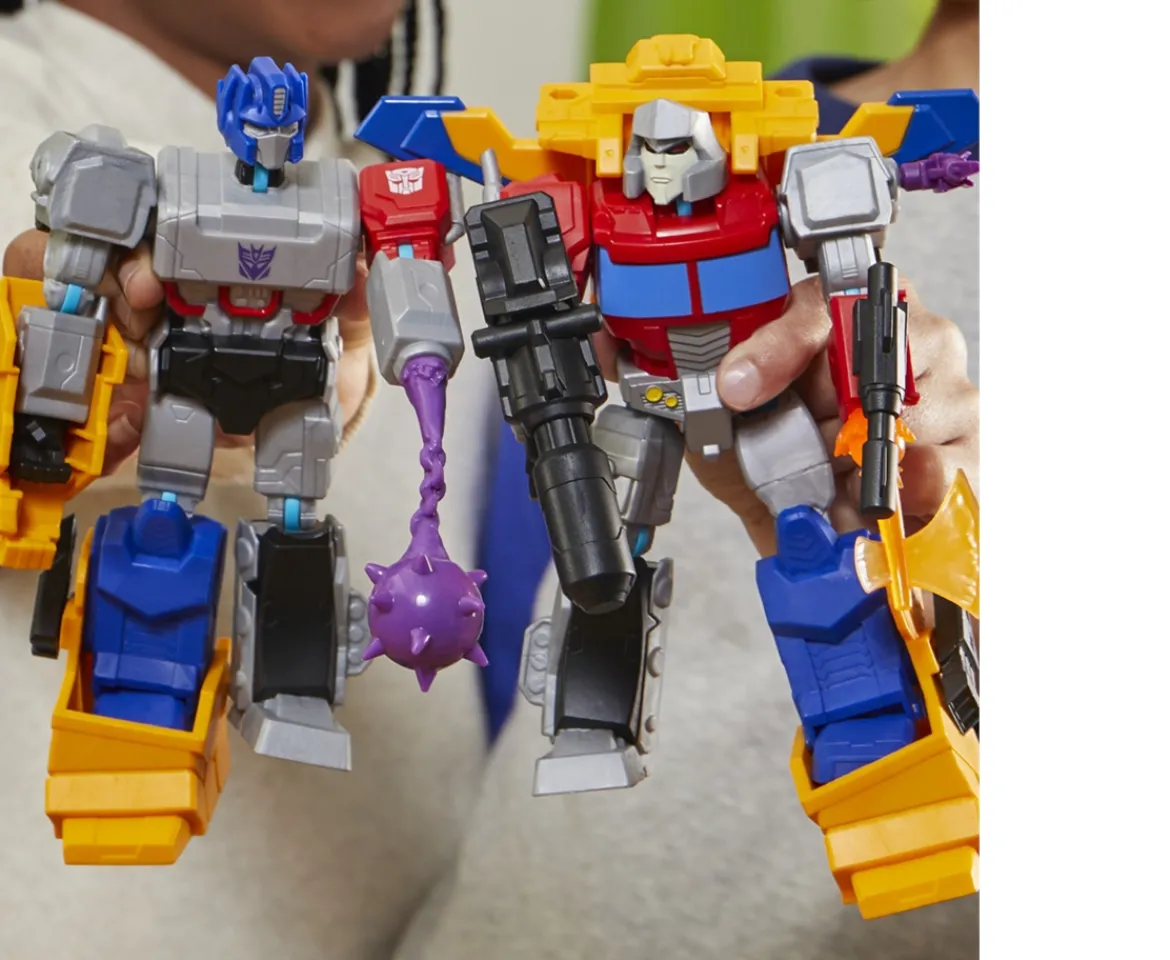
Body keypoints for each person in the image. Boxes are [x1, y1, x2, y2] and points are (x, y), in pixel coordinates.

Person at [387, 4, 981, 959]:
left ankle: (882, 765)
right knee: (600, 557)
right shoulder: (599, 194)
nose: (663, 173)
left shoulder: (796, 174)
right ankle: (590, 722)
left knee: (824, 559)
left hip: (767, 406)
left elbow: (853, 273)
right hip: (650, 398)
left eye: (681, 151)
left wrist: (899, 440)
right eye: (647, 152)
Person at [0, 2, 493, 958]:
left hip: (289, 390)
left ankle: (292, 686)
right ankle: (138, 725)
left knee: (296, 537)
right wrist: (64, 363)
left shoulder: (377, 193)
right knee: (162, 535)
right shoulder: (73, 141)